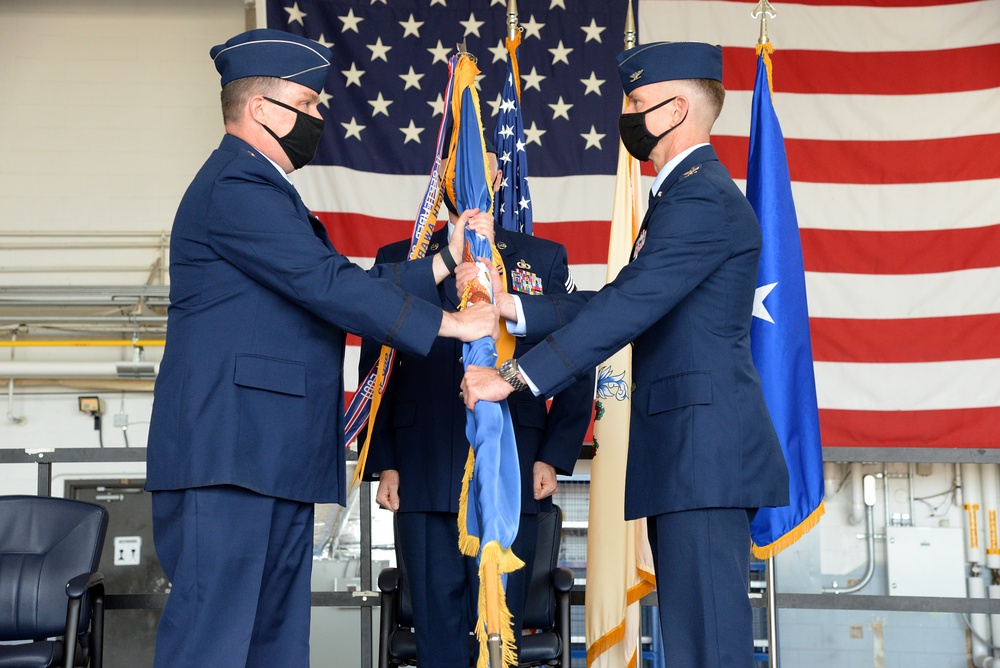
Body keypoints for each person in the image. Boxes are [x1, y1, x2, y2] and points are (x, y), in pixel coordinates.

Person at [145, 29, 497, 668]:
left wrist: (446, 259)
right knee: (214, 643)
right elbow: (327, 285)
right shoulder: (237, 185)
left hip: (266, 454)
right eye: (306, 104)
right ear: (259, 110)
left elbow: (333, 286)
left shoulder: (264, 190)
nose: (318, 117)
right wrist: (452, 326)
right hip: (229, 453)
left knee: (273, 644)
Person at [460, 42, 790, 668]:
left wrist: (514, 376)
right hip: (688, 452)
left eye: (638, 103)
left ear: (678, 108)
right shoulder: (684, 196)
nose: (630, 115)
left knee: (709, 645)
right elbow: (626, 299)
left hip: (703, 452)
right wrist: (514, 309)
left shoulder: (700, 199)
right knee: (695, 641)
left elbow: (629, 307)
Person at [361, 144, 594, 667]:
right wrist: (385, 461)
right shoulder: (399, 261)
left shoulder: (542, 258)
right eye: (459, 167)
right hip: (422, 471)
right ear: (440, 176)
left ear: (498, 179)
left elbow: (579, 356)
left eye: (483, 168)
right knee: (438, 633)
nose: (470, 179)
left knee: (500, 625)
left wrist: (554, 455)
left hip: (513, 466)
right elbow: (376, 370)